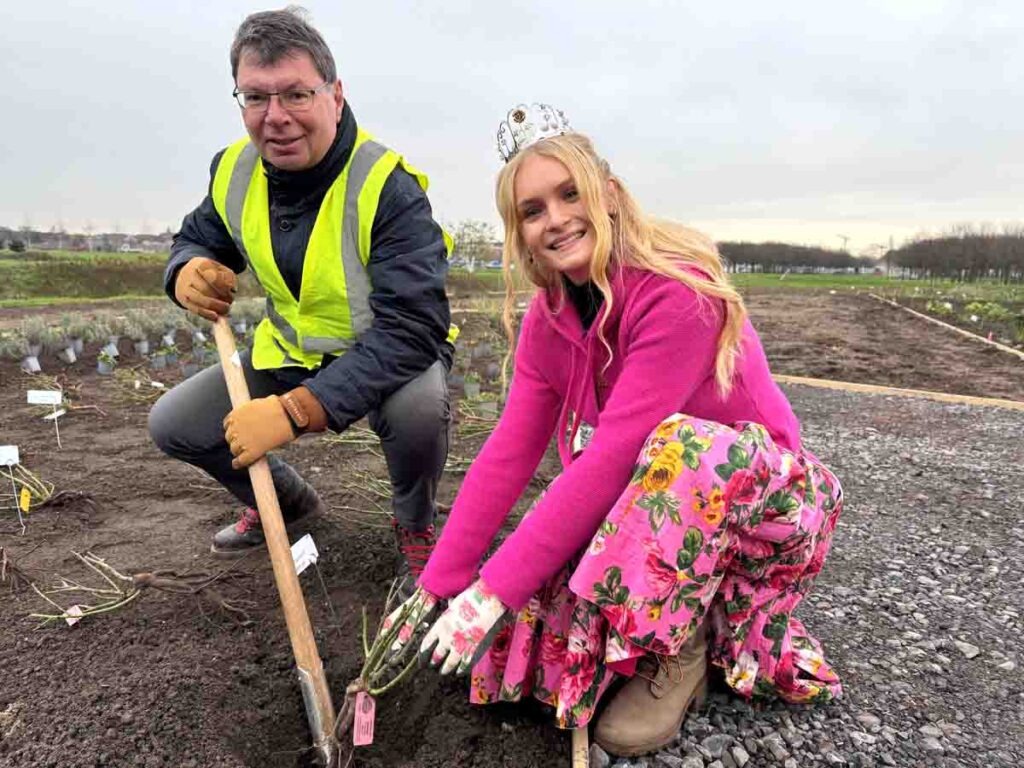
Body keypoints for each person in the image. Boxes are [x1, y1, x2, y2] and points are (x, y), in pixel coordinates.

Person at [386, 103, 843, 756]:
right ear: (520, 231)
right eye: (533, 210)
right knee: (542, 579)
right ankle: (641, 629)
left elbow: (615, 455)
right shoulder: (549, 319)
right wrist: (441, 583)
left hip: (764, 510)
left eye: (569, 193)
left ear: (607, 192)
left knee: (675, 450)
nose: (555, 219)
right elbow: (508, 454)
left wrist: (490, 591)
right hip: (660, 506)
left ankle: (683, 650)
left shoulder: (676, 293)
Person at [148, 8, 454, 590]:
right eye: (256, 98)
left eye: (296, 94)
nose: (276, 117)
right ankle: (285, 502)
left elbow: (414, 327)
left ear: (335, 96)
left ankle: (415, 523)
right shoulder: (234, 169)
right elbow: (199, 237)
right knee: (176, 423)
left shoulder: (387, 187)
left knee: (418, 411)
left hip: (387, 356)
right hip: (289, 353)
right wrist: (185, 268)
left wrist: (294, 411)